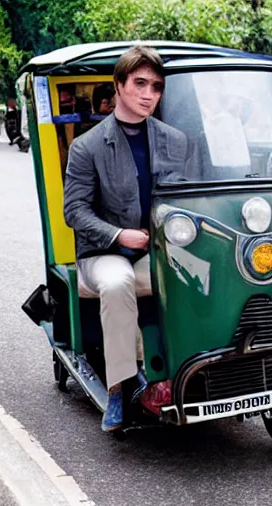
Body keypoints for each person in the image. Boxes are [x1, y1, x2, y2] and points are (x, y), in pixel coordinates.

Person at [64, 46, 192, 432]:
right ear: (119, 86)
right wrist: (119, 234)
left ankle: (195, 367)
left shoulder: (175, 140)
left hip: (160, 250)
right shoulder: (87, 146)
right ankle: (119, 389)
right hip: (103, 253)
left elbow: (185, 198)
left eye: (156, 86)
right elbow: (75, 212)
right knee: (119, 281)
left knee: (203, 274)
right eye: (139, 83)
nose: (148, 93)